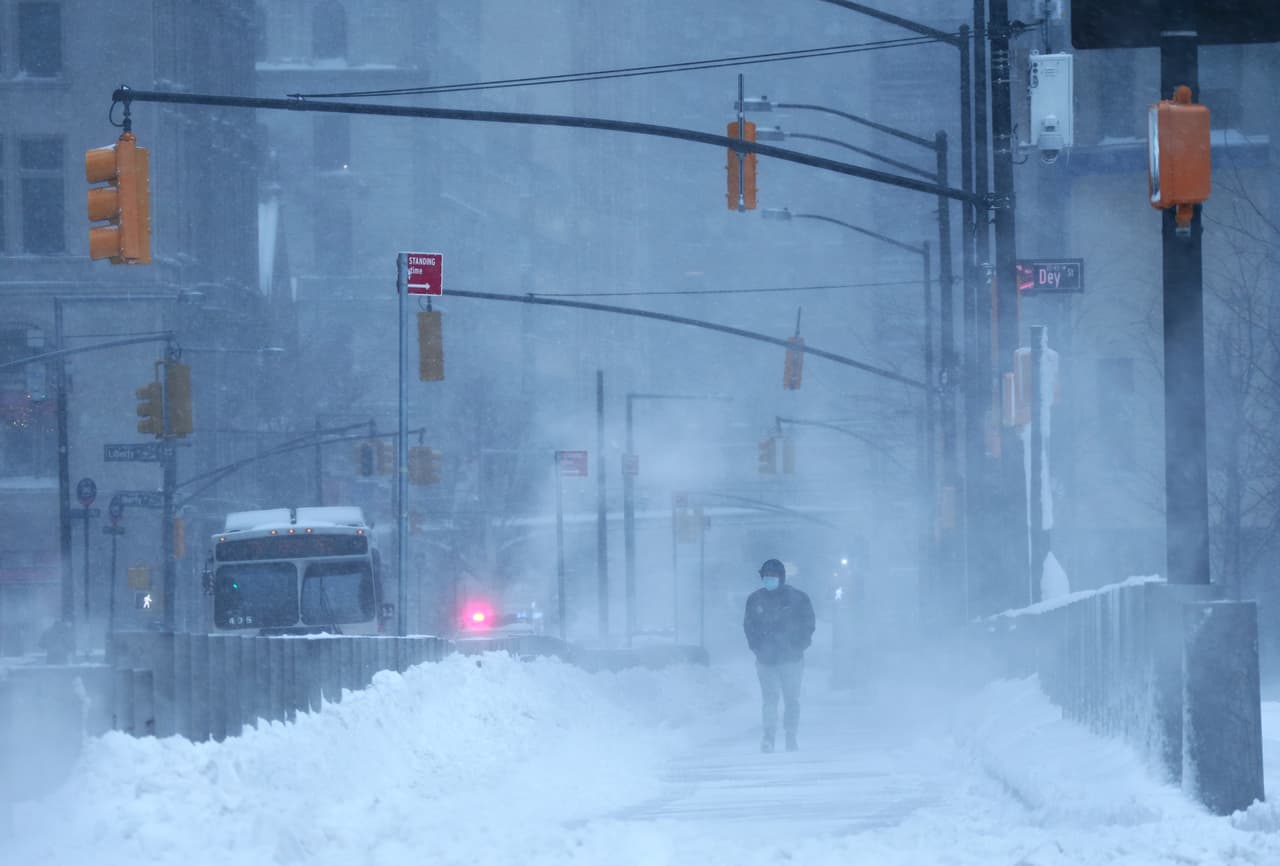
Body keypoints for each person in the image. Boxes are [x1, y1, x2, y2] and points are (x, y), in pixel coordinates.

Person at [743, 558, 815, 753]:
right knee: (770, 699)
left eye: (773, 577)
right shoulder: (754, 600)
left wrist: (799, 646)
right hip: (766, 660)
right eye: (766, 577)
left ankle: (791, 735)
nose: (769, 580)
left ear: (782, 578)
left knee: (791, 699)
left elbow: (808, 625)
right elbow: (749, 627)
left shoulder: (798, 599)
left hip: (792, 660)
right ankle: (769, 737)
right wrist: (757, 648)